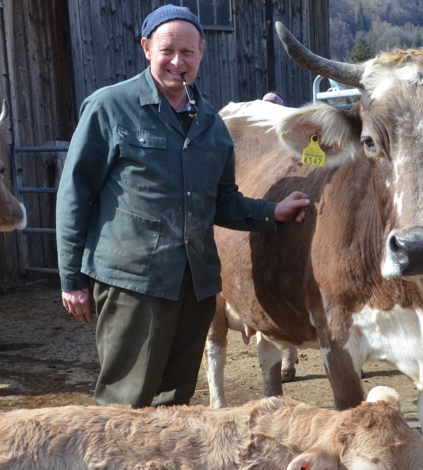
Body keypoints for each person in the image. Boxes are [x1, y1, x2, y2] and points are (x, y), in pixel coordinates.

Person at [56, 4, 309, 409]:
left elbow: (222, 201)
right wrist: (72, 279)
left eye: (188, 52)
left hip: (195, 287)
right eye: (167, 50)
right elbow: (75, 194)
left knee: (175, 402)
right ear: (146, 48)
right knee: (126, 402)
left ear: (202, 53)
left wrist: (270, 212)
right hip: (133, 285)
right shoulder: (109, 108)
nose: (178, 61)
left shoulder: (211, 124)